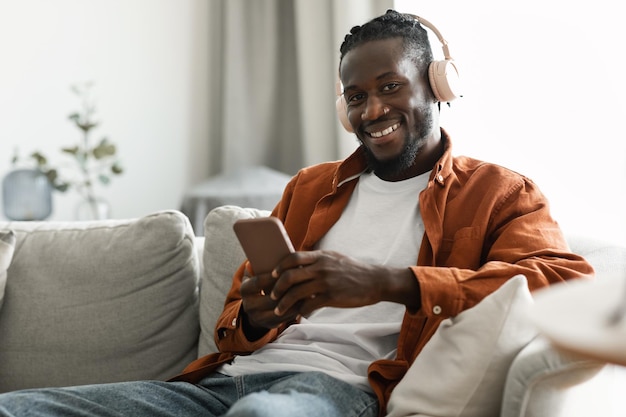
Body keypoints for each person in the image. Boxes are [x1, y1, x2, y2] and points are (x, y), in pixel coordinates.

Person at [0, 9, 593, 417]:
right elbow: (237, 317)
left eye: (391, 87)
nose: (372, 109)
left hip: (336, 391)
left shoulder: (499, 192)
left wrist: (388, 283)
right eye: (356, 97)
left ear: (438, 84)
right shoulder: (312, 188)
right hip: (221, 384)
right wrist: (257, 315)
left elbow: (566, 283)